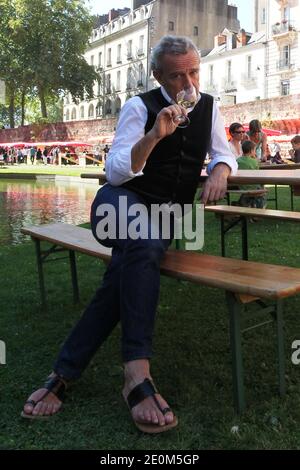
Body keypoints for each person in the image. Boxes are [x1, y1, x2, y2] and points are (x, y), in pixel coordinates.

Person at [22, 35, 237, 433]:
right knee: (143, 243)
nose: (189, 83)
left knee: (134, 260)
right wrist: (155, 135)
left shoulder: (209, 107)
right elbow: (117, 171)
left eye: (194, 71)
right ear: (157, 75)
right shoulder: (138, 107)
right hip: (117, 204)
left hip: (164, 218)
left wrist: (222, 170)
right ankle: (137, 373)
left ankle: (64, 373)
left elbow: (224, 152)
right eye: (177, 75)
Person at [236, 140, 267, 209]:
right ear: (251, 151)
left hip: (242, 186)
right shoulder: (254, 162)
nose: (255, 152)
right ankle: (260, 206)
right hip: (254, 186)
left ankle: (248, 203)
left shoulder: (237, 161)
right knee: (262, 187)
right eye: (254, 150)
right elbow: (257, 175)